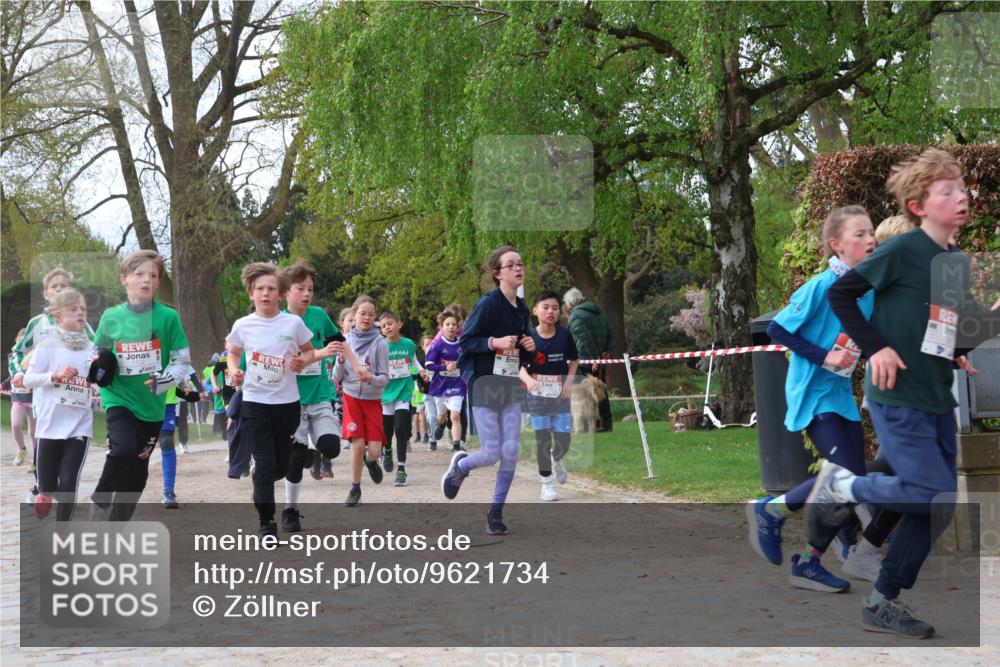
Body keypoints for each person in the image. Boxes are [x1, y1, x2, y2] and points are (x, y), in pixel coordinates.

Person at [819, 148, 1000, 637]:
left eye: (963, 189)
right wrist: (876, 347)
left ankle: (882, 600)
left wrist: (980, 328)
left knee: (937, 505)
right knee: (924, 491)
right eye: (948, 191)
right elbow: (842, 294)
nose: (961, 197)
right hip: (896, 395)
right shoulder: (901, 250)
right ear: (919, 205)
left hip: (937, 396)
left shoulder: (954, 262)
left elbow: (960, 332)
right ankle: (844, 487)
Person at [746, 206, 877, 593]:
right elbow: (776, 328)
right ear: (836, 246)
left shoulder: (865, 289)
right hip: (813, 395)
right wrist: (825, 356)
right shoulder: (821, 286)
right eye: (859, 234)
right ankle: (769, 509)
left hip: (839, 396)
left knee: (848, 480)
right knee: (845, 475)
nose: (869, 239)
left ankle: (809, 562)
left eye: (871, 232)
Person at [90, 250, 190, 522]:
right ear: (125, 279)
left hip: (152, 405)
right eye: (139, 274)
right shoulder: (111, 317)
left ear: (158, 283)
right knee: (122, 450)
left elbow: (182, 361)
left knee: (137, 472)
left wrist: (164, 380)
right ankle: (100, 502)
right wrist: (97, 367)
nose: (146, 280)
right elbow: (97, 354)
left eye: (153, 275)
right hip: (118, 398)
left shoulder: (168, 318)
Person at [441, 246, 535, 535]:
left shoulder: (522, 310)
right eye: (511, 265)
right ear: (498, 273)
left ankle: (495, 512)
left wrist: (530, 348)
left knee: (510, 452)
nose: (518, 268)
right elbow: (466, 342)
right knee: (492, 451)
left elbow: (520, 354)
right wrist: (493, 342)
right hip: (484, 385)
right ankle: (461, 465)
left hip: (509, 386)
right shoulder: (488, 304)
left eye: (521, 263)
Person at [225, 262, 322, 538]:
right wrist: (234, 370)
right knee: (266, 465)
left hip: (287, 404)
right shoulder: (243, 325)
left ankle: (268, 471)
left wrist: (300, 362)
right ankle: (266, 523)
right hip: (255, 403)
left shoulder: (293, 323)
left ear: (280, 293)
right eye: (259, 289)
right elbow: (232, 352)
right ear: (251, 294)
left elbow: (309, 352)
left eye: (271, 289)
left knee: (279, 466)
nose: (265, 294)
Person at [281, 262, 353, 531]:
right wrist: (319, 354)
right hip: (291, 399)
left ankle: (314, 453)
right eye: (300, 289)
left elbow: (341, 342)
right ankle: (290, 510)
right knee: (294, 459)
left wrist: (356, 367)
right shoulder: (279, 321)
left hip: (321, 394)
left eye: (310, 289)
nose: (307, 294)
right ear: (286, 291)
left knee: (332, 447)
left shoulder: (319, 316)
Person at [22, 289, 95, 520]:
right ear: (58, 316)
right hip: (49, 426)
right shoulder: (47, 346)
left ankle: (63, 531)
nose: (80, 313)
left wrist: (97, 389)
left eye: (82, 309)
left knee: (69, 482)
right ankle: (43, 494)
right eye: (73, 309)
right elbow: (28, 379)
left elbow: (97, 383)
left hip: (79, 426)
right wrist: (55, 376)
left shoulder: (92, 349)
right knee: (47, 486)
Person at [519, 290, 579, 502]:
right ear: (535, 311)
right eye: (545, 307)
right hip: (536, 397)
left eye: (555, 308)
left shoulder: (564, 335)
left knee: (564, 440)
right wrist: (529, 381)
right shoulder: (527, 337)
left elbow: (574, 360)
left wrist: (569, 382)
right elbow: (518, 367)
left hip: (560, 395)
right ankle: (546, 484)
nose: (551, 312)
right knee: (542, 440)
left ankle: (558, 459)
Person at [333, 296, 389, 507]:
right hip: (351, 398)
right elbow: (336, 377)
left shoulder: (380, 343)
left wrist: (372, 379)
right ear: (354, 315)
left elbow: (385, 377)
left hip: (373, 400)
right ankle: (355, 488)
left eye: (371, 314)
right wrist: (339, 362)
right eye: (362, 313)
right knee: (357, 446)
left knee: (374, 451)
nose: (366, 317)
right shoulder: (344, 341)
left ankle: (371, 461)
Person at [379, 310, 422, 486]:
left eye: (390, 323)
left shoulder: (409, 344)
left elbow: (413, 361)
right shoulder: (380, 346)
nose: (387, 327)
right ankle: (387, 449)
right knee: (387, 432)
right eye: (383, 326)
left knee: (401, 429)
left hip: (403, 392)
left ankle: (402, 469)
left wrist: (422, 372)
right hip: (386, 394)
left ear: (399, 324)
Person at [563, 287, 614, 432]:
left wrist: (593, 359)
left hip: (584, 359)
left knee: (581, 394)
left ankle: (584, 426)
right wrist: (605, 354)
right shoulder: (601, 315)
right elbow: (611, 335)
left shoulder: (576, 316)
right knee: (600, 391)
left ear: (571, 302)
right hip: (601, 360)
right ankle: (606, 423)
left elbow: (584, 339)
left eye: (566, 303)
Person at [426, 309, 466, 453]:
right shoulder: (437, 345)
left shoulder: (462, 345)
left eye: (453, 324)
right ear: (442, 327)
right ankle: (441, 425)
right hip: (440, 385)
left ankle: (456, 446)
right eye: (447, 324)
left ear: (457, 327)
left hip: (457, 384)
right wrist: (445, 367)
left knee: (455, 416)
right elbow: (429, 365)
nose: (451, 327)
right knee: (441, 416)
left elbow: (467, 362)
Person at [7, 329, 35, 467]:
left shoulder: (34, 355)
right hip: (18, 397)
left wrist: (30, 382)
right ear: (16, 339)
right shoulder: (13, 356)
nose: (21, 342)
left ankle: (37, 458)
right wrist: (4, 384)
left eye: (24, 340)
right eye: (19, 339)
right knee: (15, 424)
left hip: (34, 398)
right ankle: (22, 449)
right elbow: (12, 374)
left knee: (33, 432)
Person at [420, 335, 439, 451]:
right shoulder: (421, 361)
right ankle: (433, 440)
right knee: (432, 417)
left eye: (432, 344)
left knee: (443, 417)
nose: (430, 347)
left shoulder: (440, 358)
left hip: (442, 393)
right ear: (422, 347)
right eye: (427, 345)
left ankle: (450, 436)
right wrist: (422, 381)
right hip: (428, 394)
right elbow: (415, 375)